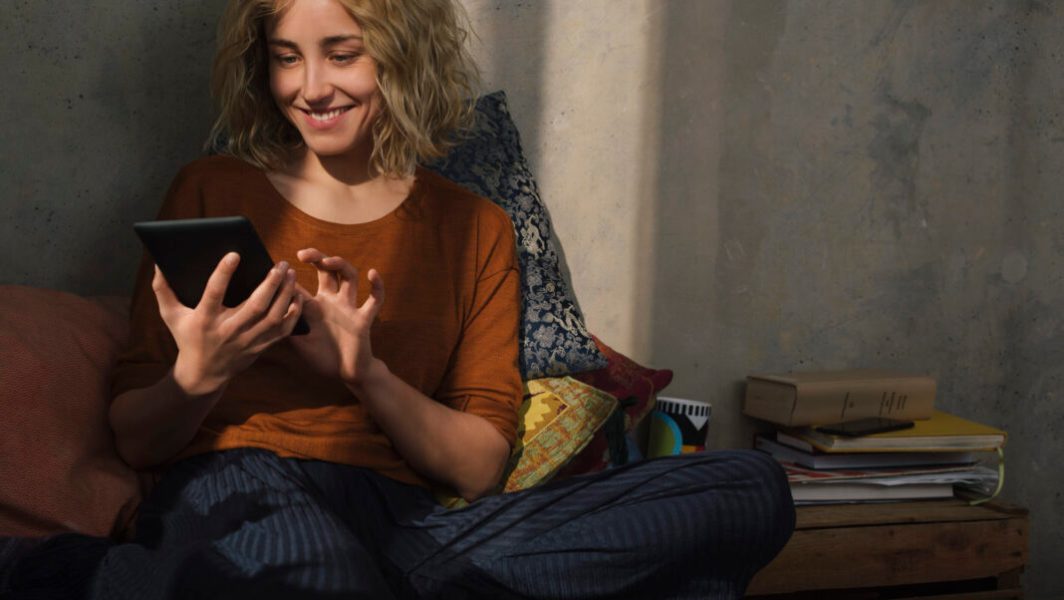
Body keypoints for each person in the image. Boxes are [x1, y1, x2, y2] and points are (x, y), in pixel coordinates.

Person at [7, 0, 795, 598]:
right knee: (319, 570)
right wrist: (200, 374)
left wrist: (365, 373)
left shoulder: (474, 228)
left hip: (409, 520)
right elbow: (136, 441)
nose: (309, 88)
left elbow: (481, 468)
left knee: (747, 490)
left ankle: (138, 579)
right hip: (238, 480)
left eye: (340, 54)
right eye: (286, 58)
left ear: (398, 53)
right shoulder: (214, 189)